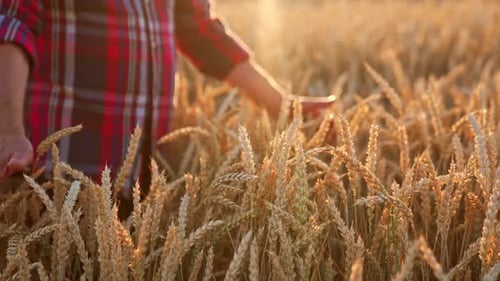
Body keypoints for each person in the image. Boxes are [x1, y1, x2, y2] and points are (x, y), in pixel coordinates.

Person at [0, 0, 334, 187]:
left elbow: (201, 31)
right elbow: (12, 24)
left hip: (143, 170)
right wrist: (9, 132)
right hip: (59, 168)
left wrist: (279, 103)